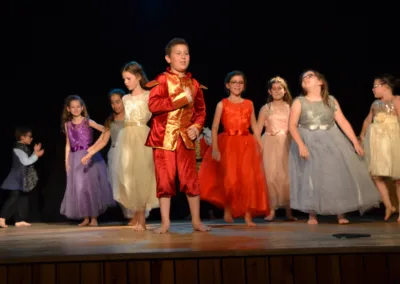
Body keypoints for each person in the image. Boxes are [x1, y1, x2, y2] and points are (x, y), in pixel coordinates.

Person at [145, 38, 210, 233]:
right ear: (168, 58)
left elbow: (201, 111)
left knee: (191, 179)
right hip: (164, 138)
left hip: (185, 139)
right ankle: (165, 223)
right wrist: (180, 99)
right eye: (178, 53)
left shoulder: (195, 84)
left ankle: (196, 222)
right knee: (164, 180)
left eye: (186, 53)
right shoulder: (162, 80)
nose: (183, 57)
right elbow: (153, 105)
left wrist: (197, 127)